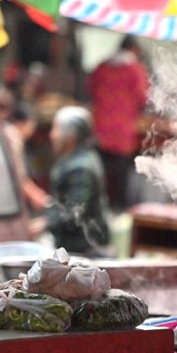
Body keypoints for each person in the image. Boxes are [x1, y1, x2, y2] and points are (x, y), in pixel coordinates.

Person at [87, 35, 150, 212]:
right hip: (122, 130)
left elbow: (91, 89)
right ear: (133, 49)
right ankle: (121, 208)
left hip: (100, 127)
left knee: (101, 170)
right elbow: (142, 96)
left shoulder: (101, 67)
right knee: (122, 172)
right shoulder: (135, 69)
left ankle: (100, 206)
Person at [43, 106, 110, 255]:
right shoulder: (72, 158)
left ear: (71, 135)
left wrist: (44, 225)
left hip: (84, 248)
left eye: (56, 129)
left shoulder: (81, 167)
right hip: (71, 244)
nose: (52, 135)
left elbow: (75, 211)